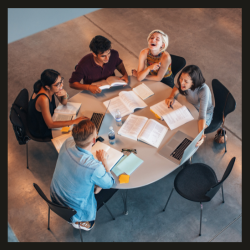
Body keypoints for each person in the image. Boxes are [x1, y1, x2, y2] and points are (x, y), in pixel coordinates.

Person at [50, 119, 115, 231]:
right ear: (94, 140)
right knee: (111, 188)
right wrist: (103, 161)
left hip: (55, 197)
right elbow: (110, 182)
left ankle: (96, 187)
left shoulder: (67, 143)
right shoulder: (94, 167)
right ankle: (82, 221)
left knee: (96, 184)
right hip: (73, 211)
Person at [28, 69, 87, 139]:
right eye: (58, 84)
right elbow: (50, 125)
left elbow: (63, 103)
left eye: (61, 81)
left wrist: (65, 95)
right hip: (41, 128)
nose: (61, 85)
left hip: (48, 118)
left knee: (75, 122)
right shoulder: (43, 99)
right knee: (74, 132)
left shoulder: (50, 86)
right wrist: (74, 121)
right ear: (47, 86)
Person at [165, 65, 214, 147]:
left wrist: (200, 135)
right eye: (181, 78)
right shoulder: (183, 81)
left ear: (193, 82)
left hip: (205, 113)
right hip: (190, 106)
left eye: (186, 81)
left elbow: (202, 116)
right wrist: (171, 96)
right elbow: (176, 86)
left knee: (193, 131)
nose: (182, 82)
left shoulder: (204, 90)